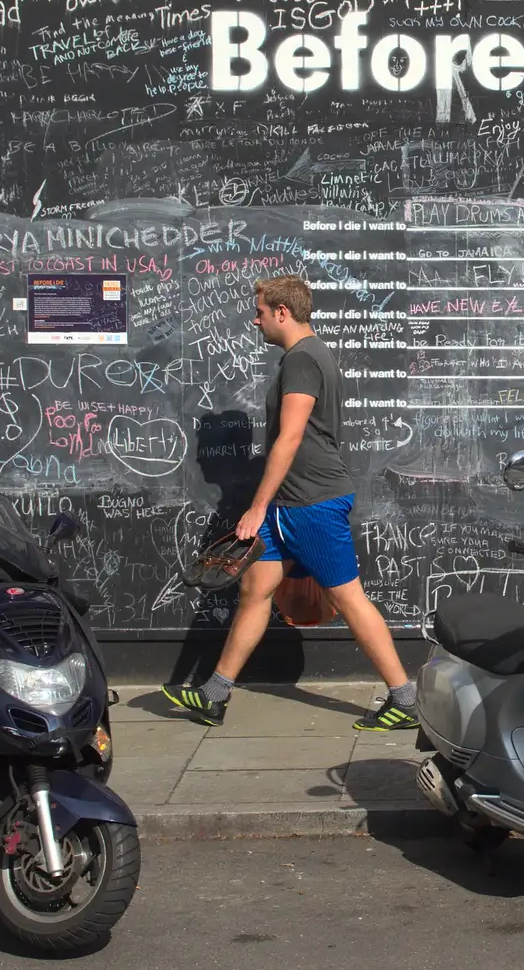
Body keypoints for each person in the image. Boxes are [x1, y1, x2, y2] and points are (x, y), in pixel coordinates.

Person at [164, 274, 419, 731]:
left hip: (312, 503)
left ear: (282, 312)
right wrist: (271, 504)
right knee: (255, 590)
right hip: (289, 503)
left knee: (347, 598)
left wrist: (257, 505)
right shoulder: (302, 357)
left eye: (260, 311)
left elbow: (291, 436)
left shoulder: (302, 359)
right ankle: (214, 693)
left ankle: (406, 698)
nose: (255, 318)